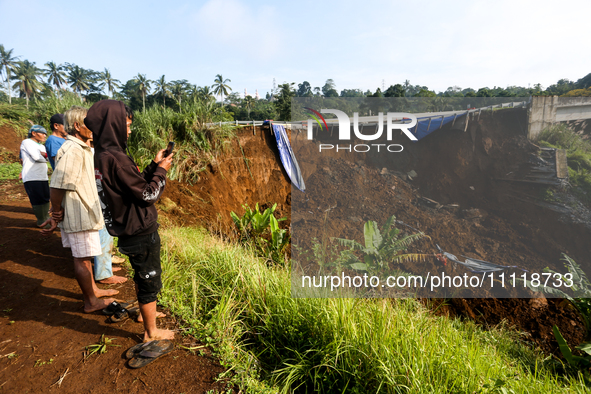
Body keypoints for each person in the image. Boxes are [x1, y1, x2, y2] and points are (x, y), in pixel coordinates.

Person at [85, 100, 174, 341]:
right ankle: (150, 332)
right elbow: (148, 195)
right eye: (126, 124)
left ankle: (146, 317)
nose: (130, 130)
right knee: (148, 277)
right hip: (140, 229)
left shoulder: (102, 155)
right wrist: (162, 170)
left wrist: (153, 166)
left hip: (125, 227)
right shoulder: (117, 158)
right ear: (112, 125)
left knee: (142, 274)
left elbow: (132, 186)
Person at [41, 106, 117, 312]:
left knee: (85, 256)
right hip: (79, 211)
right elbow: (57, 184)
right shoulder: (73, 150)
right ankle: (91, 302)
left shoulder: (80, 147)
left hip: (83, 212)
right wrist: (55, 212)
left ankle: (93, 290)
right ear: (77, 126)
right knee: (82, 259)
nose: (96, 127)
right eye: (91, 123)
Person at [20, 125, 50, 226]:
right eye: (42, 133)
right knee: (37, 198)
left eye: (45, 133)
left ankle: (46, 219)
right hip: (31, 176)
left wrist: (45, 157)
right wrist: (46, 158)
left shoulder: (42, 146)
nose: (45, 135)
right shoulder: (27, 142)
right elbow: (37, 157)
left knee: (45, 197)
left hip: (42, 176)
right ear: (34, 133)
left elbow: (46, 158)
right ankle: (41, 221)